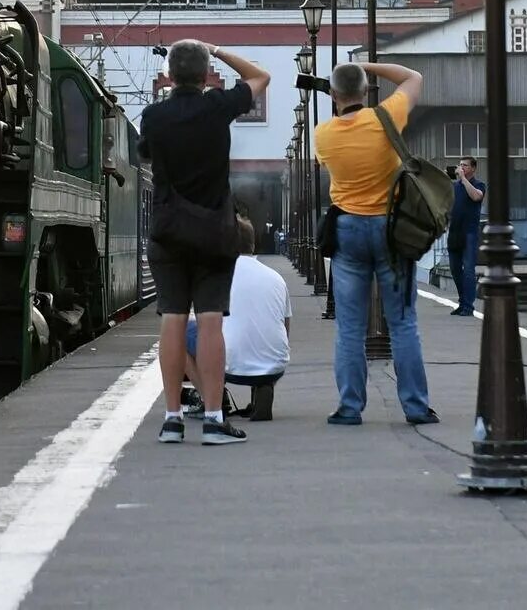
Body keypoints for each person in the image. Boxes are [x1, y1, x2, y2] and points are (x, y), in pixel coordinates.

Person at [139, 39, 270, 447]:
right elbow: (260, 77)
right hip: (214, 232)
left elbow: (144, 154)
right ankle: (214, 419)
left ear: (171, 75)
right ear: (206, 75)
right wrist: (219, 50)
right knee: (211, 321)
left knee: (172, 321)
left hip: (168, 231)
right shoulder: (218, 107)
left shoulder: (154, 116)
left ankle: (172, 418)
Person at [313, 61, 437, 426]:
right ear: (366, 91)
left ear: (334, 95)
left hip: (348, 230)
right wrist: (365, 65)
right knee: (402, 322)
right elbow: (414, 78)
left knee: (349, 326)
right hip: (390, 228)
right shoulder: (387, 116)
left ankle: (350, 407)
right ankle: (415, 406)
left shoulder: (323, 136)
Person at [182, 215, 291, 420]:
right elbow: (286, 326)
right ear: (253, 244)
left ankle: (211, 399)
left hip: (229, 363)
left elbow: (206, 323)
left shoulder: (216, 276)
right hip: (275, 365)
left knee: (177, 335)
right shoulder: (276, 278)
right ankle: (263, 385)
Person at [447, 157, 485, 316]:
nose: (461, 167)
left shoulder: (478, 185)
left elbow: (476, 197)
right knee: (455, 269)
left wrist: (463, 179)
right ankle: (462, 302)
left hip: (469, 232)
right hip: (454, 231)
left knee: (468, 269)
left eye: (465, 165)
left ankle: (468, 306)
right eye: (460, 165)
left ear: (473, 168)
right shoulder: (455, 187)